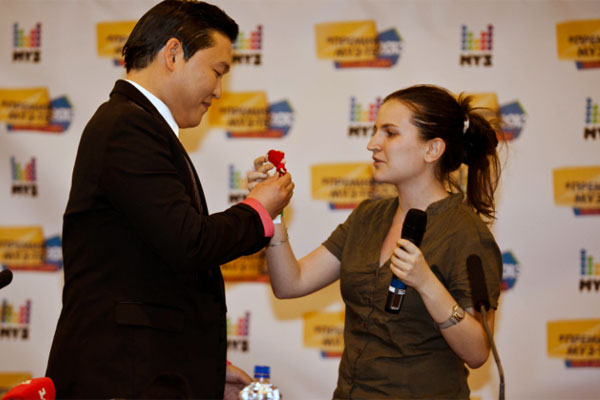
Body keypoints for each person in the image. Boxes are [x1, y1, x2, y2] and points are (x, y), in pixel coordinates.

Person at [45, 1, 294, 399]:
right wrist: (259, 210)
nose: (218, 91)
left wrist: (203, 370)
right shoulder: (128, 126)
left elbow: (155, 270)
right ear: (174, 54)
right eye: (217, 71)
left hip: (145, 372)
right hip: (121, 378)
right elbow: (189, 243)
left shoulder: (139, 125)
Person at [249, 84, 503, 399]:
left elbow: (478, 352)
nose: (372, 144)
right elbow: (291, 283)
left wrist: (427, 284)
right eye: (374, 131)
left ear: (432, 149)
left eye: (390, 133)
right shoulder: (368, 217)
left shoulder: (466, 233)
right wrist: (271, 213)